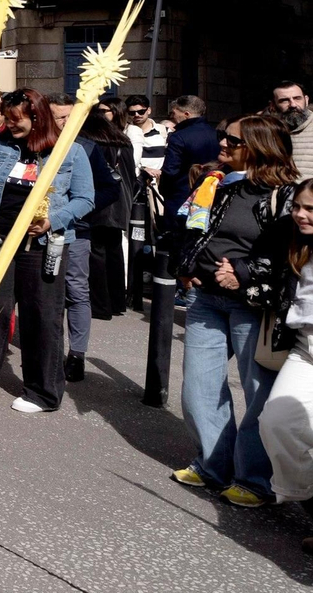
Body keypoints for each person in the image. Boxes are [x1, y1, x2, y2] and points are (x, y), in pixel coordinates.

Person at [170, 113, 297, 506]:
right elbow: (200, 230)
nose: (223, 143)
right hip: (206, 298)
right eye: (223, 136)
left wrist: (242, 271)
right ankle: (213, 465)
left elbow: (290, 254)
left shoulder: (287, 197)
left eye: (233, 140)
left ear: (259, 147)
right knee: (198, 388)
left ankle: (255, 480)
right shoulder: (222, 183)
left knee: (259, 394)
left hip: (253, 305)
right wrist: (187, 266)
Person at [0, 89, 94, 412]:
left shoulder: (71, 151)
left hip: (41, 246)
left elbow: (85, 199)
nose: (9, 124)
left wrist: (52, 221)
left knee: (41, 316)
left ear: (36, 117)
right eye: (6, 118)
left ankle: (42, 391)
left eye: (15, 119)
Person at [250, 178, 313, 551]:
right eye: (298, 206)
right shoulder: (293, 241)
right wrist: (242, 280)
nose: (300, 215)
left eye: (310, 209)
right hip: (304, 349)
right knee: (276, 422)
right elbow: (265, 280)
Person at [46, 92, 116, 381]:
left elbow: (109, 189)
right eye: (59, 117)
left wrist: (78, 207)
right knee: (44, 292)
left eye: (70, 117)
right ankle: (48, 351)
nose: (65, 123)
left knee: (76, 291)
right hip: (37, 232)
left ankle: (77, 354)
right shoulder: (34, 146)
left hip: (76, 231)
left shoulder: (86, 148)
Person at [78, 111, 137, 327]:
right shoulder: (123, 142)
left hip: (100, 201)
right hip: (121, 201)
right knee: (114, 252)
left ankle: (100, 305)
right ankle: (116, 302)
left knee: (96, 253)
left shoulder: (90, 143)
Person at [160, 94, 217, 225]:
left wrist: (165, 190)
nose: (172, 116)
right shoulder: (215, 133)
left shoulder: (179, 137)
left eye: (174, 113)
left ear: (186, 114)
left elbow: (170, 170)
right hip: (210, 193)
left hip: (181, 196)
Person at [123, 93, 169, 183]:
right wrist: (143, 169)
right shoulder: (124, 133)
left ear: (149, 110)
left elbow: (172, 158)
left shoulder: (164, 131)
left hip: (160, 183)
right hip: (135, 182)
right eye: (132, 113)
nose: (136, 115)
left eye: (141, 112)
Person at [270, 81, 313, 177]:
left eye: (297, 98)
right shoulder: (269, 132)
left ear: (306, 100)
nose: (293, 105)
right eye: (284, 100)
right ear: (273, 105)